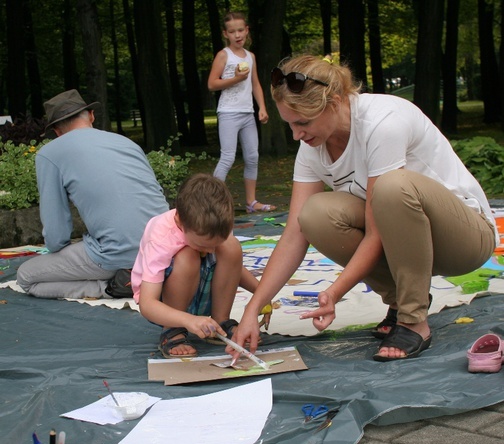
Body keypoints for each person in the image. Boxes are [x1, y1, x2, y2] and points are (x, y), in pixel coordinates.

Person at [233, 54, 498, 362]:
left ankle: (414, 321)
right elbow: (294, 232)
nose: (297, 136)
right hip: (406, 241)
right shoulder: (312, 147)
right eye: (289, 124)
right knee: (314, 214)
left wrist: (334, 293)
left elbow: (376, 232)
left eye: (303, 122)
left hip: (465, 239)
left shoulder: (381, 123)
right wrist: (252, 310)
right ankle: (400, 302)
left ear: (334, 102)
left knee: (391, 188)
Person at [16, 89, 169, 299]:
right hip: (164, 247)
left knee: (26, 277)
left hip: (115, 253)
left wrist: (59, 251)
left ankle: (111, 287)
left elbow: (56, 233)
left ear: (58, 132)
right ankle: (139, 276)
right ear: (91, 116)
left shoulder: (50, 153)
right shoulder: (127, 143)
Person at [131, 173, 270, 358]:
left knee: (230, 246)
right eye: (204, 245)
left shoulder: (204, 229)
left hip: (200, 294)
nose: (211, 251)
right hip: (166, 307)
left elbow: (234, 268)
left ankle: (221, 320)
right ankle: (173, 330)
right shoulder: (161, 237)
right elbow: (148, 304)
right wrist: (187, 320)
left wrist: (262, 294)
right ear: (180, 221)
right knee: (188, 256)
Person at [208, 11, 276, 214]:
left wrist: (262, 107)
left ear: (246, 30)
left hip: (247, 114)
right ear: (225, 34)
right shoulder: (223, 55)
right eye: (232, 32)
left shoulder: (250, 56)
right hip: (228, 112)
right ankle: (211, 202)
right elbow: (212, 84)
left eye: (240, 30)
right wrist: (236, 79)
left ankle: (251, 202)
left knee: (253, 156)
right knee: (227, 157)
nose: (237, 35)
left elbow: (255, 84)